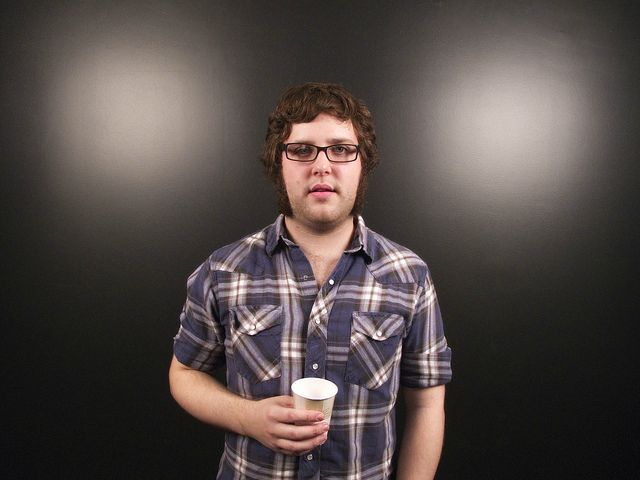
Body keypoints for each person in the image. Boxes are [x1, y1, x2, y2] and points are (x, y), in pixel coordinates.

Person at [169, 82, 452, 479]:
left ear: (363, 163)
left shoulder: (409, 276)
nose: (322, 166)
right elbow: (184, 374)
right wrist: (248, 417)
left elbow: (426, 405)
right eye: (302, 150)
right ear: (278, 163)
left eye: (341, 149)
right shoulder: (224, 270)